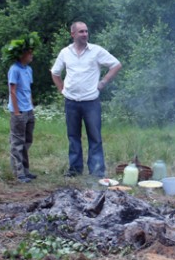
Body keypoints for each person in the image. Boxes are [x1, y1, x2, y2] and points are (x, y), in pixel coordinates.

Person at [50, 21, 122, 177]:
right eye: (81, 31)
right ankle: (75, 170)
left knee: (95, 137)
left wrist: (103, 82)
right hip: (71, 101)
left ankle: (96, 171)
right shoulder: (65, 52)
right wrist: (62, 90)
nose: (85, 34)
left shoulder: (96, 51)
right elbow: (55, 72)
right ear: (73, 34)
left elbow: (116, 64)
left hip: (91, 101)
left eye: (86, 31)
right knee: (73, 136)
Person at [4, 32, 39, 183]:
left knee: (27, 141)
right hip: (18, 111)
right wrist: (16, 111)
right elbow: (12, 90)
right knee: (17, 142)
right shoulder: (15, 69)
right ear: (22, 54)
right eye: (29, 53)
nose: (32, 55)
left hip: (28, 110)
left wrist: (31, 107)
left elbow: (28, 90)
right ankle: (19, 174)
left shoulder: (28, 69)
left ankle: (26, 170)